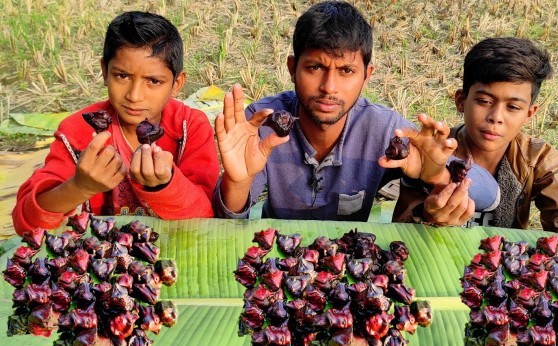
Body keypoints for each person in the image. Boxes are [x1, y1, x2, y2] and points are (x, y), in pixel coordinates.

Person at [213, 1, 499, 222]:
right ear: (292, 68)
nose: (329, 87)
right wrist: (237, 181)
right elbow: (226, 220)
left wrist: (436, 174)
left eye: (347, 71)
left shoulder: (383, 130)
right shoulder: (264, 123)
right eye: (315, 68)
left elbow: (489, 195)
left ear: (367, 75)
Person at [394, 37, 558, 242]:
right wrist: (426, 217)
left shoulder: (538, 160)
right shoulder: (432, 152)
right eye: (484, 101)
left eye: (512, 107)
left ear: (529, 113)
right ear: (461, 101)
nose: (496, 118)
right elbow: (401, 228)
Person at [13, 11, 219, 235]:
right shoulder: (78, 131)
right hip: (102, 256)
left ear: (176, 84)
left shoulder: (190, 126)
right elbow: (27, 222)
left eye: (153, 81)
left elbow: (205, 217)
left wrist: (164, 186)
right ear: (105, 71)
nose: (134, 95)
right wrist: (79, 187)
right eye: (122, 76)